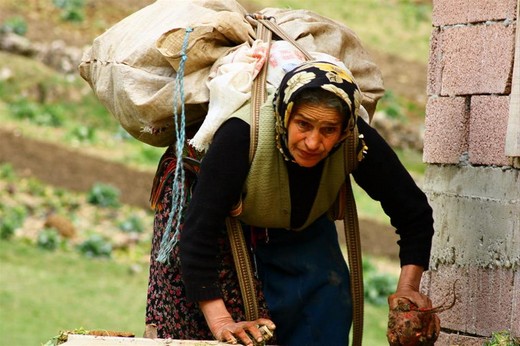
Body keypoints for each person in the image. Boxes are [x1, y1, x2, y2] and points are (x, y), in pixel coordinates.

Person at [145, 61, 438, 345]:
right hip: (217, 227)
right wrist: (221, 322)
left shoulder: (355, 140)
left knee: (327, 310)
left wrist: (408, 289)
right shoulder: (240, 136)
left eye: (328, 130)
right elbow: (197, 234)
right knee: (226, 334)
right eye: (303, 125)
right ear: (285, 116)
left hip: (300, 221)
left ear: (344, 129)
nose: (313, 142)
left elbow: (414, 214)